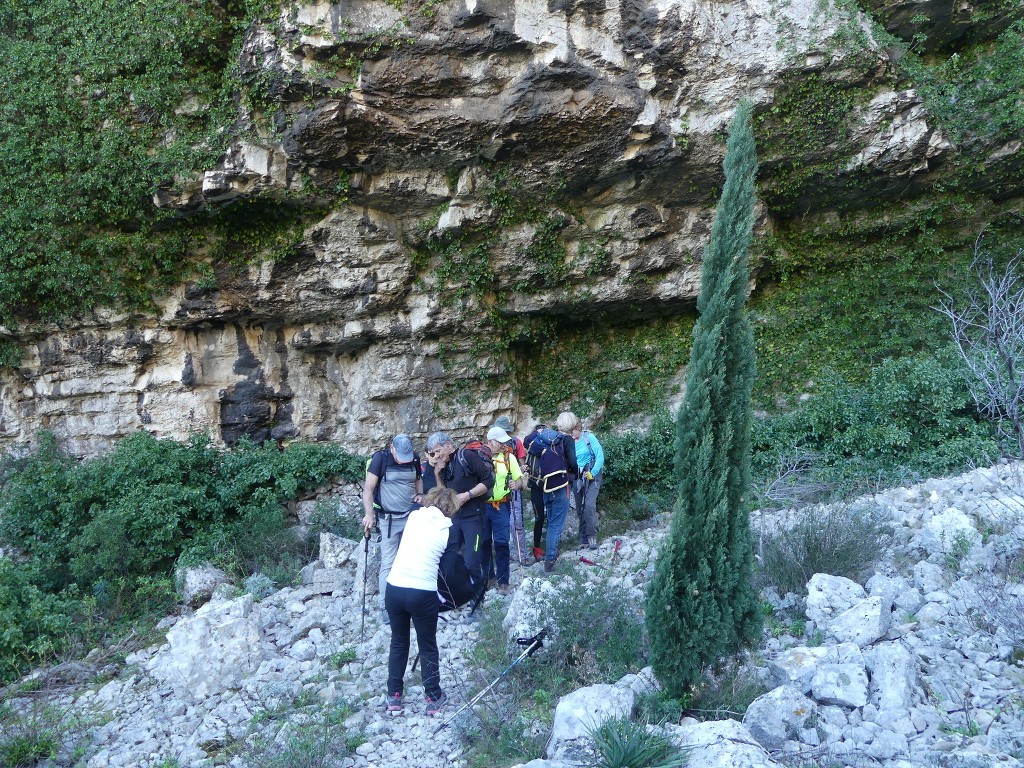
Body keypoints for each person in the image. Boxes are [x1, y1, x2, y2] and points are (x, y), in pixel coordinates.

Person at [384, 487, 460, 716]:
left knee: (398, 642)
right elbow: (446, 570)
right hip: (422, 591)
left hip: (394, 586)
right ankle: (433, 696)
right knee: (427, 645)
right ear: (452, 509)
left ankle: (394, 696)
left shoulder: (413, 516)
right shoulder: (450, 530)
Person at [425, 432, 495, 599]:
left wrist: (468, 495)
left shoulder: (467, 456)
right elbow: (443, 494)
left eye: (438, 451)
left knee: (471, 562)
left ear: (449, 445)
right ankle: (455, 597)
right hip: (454, 518)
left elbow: (489, 481)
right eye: (433, 453)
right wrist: (437, 474)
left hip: (474, 518)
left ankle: (477, 602)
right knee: (448, 559)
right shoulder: (444, 465)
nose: (436, 456)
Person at [361, 434, 423, 622]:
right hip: (389, 519)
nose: (404, 460)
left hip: (411, 517)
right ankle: (385, 605)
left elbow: (418, 478)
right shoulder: (381, 458)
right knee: (388, 562)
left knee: (412, 560)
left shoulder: (414, 457)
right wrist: (369, 514)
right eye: (399, 456)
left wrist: (420, 493)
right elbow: (368, 489)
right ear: (392, 448)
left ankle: (409, 602)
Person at [525, 413, 578, 572]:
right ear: (573, 425)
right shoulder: (566, 440)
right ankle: (550, 560)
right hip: (561, 485)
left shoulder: (549, 437)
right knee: (556, 523)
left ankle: (550, 554)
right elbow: (573, 462)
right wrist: (574, 474)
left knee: (551, 521)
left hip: (545, 486)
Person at [481, 426, 524, 595]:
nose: (504, 444)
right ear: (491, 441)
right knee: (484, 543)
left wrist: (517, 484)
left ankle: (503, 581)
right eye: (500, 442)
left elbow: (519, 479)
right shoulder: (480, 457)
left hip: (502, 506)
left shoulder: (509, 457)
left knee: (501, 543)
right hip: (483, 506)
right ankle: (489, 576)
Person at [492, 416, 529, 563]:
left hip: (513, 487)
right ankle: (501, 555)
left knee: (517, 522)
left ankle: (522, 555)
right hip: (496, 491)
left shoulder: (516, 442)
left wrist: (519, 473)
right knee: (499, 523)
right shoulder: (491, 447)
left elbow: (522, 463)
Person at [569, 415, 605, 549]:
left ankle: (592, 537)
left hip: (592, 476)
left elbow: (600, 456)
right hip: (577, 478)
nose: (570, 433)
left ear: (578, 428)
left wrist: (593, 472)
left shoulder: (589, 438)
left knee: (589, 505)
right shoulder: (569, 441)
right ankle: (583, 538)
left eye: (572, 430)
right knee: (580, 509)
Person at [523, 422, 549, 562]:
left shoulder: (551, 446)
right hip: (536, 487)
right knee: (539, 518)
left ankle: (549, 547)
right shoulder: (531, 448)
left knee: (549, 518)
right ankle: (537, 548)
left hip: (548, 487)